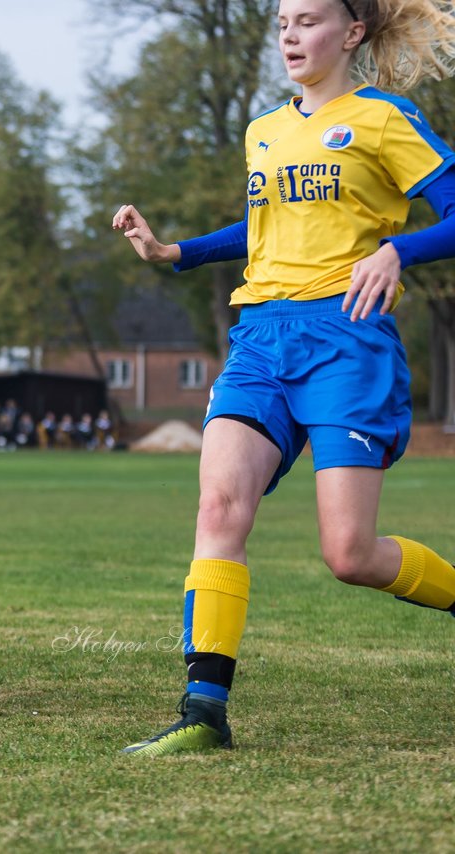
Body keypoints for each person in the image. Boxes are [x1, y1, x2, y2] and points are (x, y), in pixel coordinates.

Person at [112, 0, 455, 755]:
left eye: (307, 20)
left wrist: (400, 251)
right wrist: (178, 253)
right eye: (281, 23)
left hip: (346, 340)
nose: (291, 36)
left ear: (352, 33)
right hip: (261, 338)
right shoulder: (263, 130)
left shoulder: (385, 119)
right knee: (219, 506)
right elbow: (260, 228)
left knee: (349, 555)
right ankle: (204, 711)